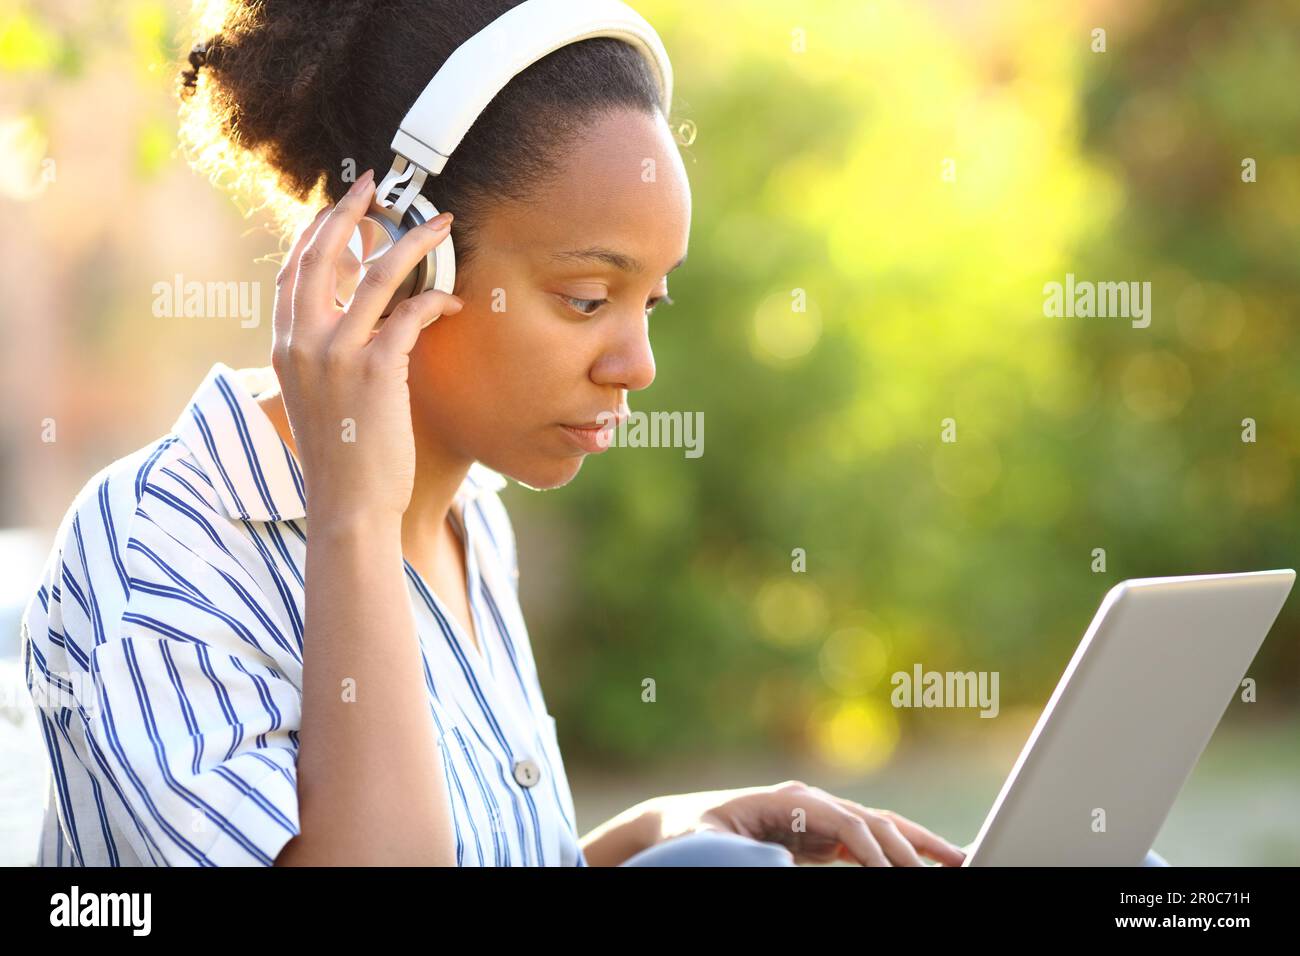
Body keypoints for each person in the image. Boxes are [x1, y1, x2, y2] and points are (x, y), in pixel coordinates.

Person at [20, 0, 982, 868]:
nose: (638, 364)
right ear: (400, 261)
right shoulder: (158, 549)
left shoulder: (471, 517)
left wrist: (664, 835)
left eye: (653, 300)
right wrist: (354, 517)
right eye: (587, 297)